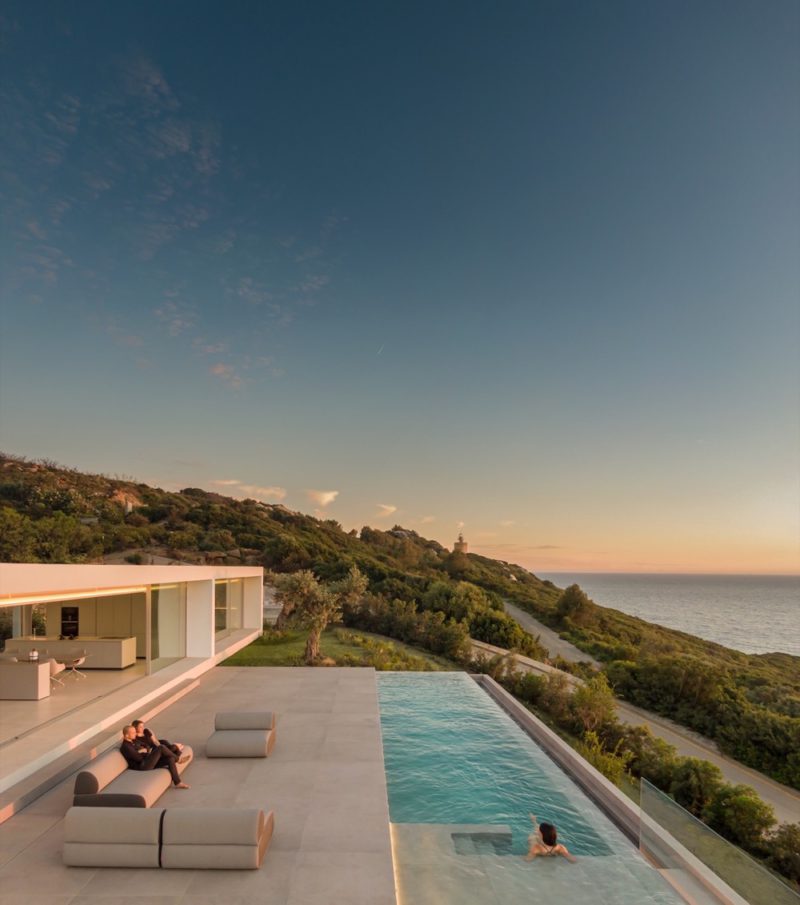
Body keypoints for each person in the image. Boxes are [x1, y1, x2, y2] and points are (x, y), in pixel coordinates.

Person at [119, 725, 189, 789]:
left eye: (135, 732)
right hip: (142, 766)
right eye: (133, 732)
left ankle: (178, 783)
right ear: (127, 735)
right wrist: (145, 752)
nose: (135, 733)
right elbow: (139, 758)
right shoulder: (126, 746)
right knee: (161, 747)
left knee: (170, 759)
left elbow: (146, 745)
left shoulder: (133, 740)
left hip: (147, 760)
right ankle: (179, 759)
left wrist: (144, 751)